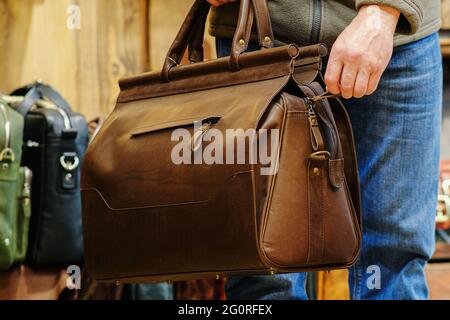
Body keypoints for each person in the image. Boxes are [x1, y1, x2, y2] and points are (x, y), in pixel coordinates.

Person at [207, 0, 442, 300]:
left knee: (390, 269)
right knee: (265, 275)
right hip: (259, 34)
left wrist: (385, 11)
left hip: (396, 37)